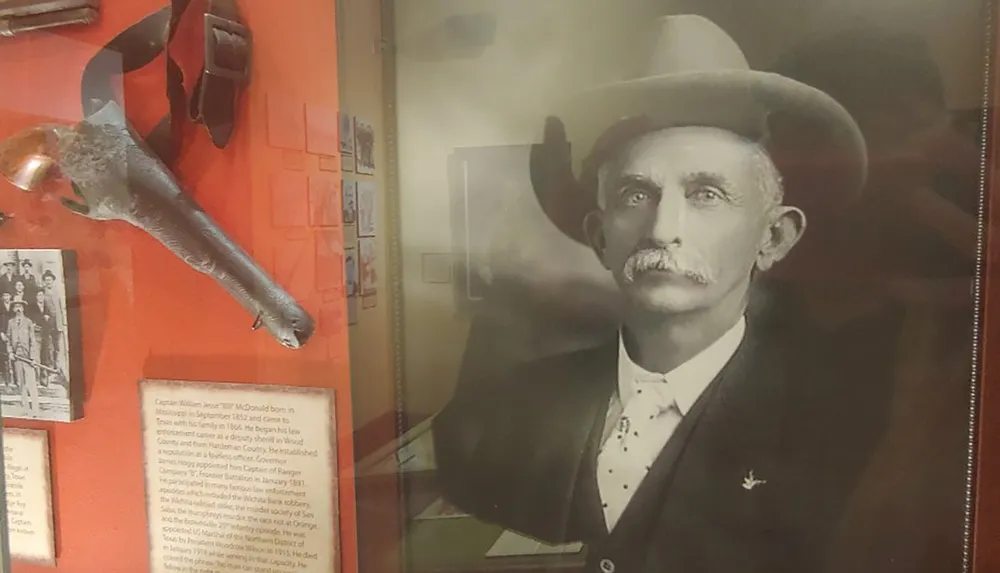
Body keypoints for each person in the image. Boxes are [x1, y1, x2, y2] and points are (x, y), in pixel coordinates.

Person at [433, 15, 896, 573]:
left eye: (705, 193)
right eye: (636, 195)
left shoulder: (842, 425)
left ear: (773, 237)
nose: (661, 228)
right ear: (601, 238)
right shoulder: (517, 407)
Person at [4, 296, 38, 413]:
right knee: (21, 383)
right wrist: (10, 352)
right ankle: (25, 408)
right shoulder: (10, 323)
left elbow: (33, 341)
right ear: (13, 309)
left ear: (23, 308)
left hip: (27, 357)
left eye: (20, 306)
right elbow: (8, 339)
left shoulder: (28, 322)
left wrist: (33, 357)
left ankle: (35, 409)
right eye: (16, 306)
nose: (18, 309)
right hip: (17, 357)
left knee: (31, 383)